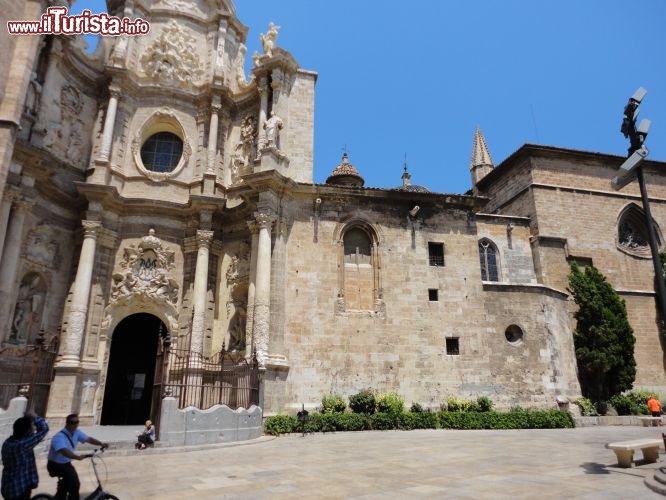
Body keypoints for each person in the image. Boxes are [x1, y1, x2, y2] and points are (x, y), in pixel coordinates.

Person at [46, 414, 109, 500]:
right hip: (55, 465)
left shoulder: (77, 432)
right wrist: (77, 457)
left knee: (71, 485)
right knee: (74, 484)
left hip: (66, 464)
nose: (75, 424)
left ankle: (60, 495)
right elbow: (64, 451)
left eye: (77, 422)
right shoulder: (59, 437)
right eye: (72, 422)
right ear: (67, 423)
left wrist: (101, 444)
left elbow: (89, 439)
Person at [1, 413, 49, 500]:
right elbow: (44, 429)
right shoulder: (22, 445)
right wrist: (34, 416)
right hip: (19, 489)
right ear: (27, 431)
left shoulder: (7, 443)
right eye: (31, 428)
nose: (33, 430)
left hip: (8, 487)